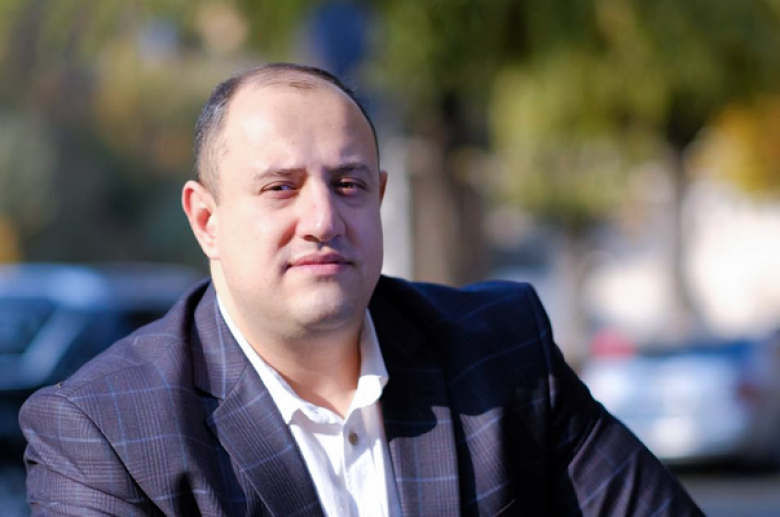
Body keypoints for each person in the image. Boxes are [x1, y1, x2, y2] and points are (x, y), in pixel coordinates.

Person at [19, 63, 704, 516]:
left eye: (348, 184)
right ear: (206, 219)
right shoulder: (104, 430)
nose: (322, 219)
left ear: (378, 198)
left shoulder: (502, 351)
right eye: (280, 187)